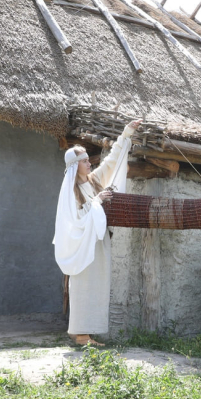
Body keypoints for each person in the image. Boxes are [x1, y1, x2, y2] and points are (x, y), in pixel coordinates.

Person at [53, 119, 142, 346]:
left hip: (99, 242)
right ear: (75, 165)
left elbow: (112, 160)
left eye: (87, 160)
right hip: (82, 245)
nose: (88, 164)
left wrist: (127, 132)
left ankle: (85, 333)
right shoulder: (70, 192)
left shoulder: (94, 181)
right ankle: (80, 334)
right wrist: (97, 201)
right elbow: (73, 221)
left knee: (98, 286)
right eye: (84, 161)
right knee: (83, 286)